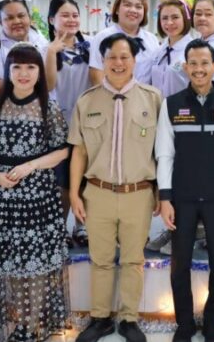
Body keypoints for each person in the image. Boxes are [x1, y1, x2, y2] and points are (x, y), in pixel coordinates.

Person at [68, 33, 162, 342]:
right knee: (101, 259)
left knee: (133, 260)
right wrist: (74, 193)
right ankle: (100, 319)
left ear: (134, 61)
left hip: (139, 193)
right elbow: (79, 151)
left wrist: (161, 192)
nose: (118, 63)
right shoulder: (87, 100)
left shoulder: (153, 99)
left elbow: (163, 152)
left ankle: (129, 319)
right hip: (98, 193)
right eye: (112, 57)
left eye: (125, 57)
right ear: (103, 61)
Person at [0, 43, 70, 342]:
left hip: (39, 194)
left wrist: (30, 166)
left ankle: (32, 325)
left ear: (40, 72)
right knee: (10, 262)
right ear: (8, 71)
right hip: (2, 194)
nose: (23, 73)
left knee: (37, 262)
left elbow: (62, 151)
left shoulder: (48, 106)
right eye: (17, 67)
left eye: (31, 67)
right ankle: (20, 321)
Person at [155, 39, 214, 342]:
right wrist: (165, 198)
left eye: (204, 63)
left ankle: (211, 323)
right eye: (193, 63)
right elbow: (165, 154)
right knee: (179, 264)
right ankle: (184, 323)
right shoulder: (172, 104)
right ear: (185, 67)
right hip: (182, 198)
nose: (199, 69)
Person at [147, 0, 214, 255]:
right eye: (198, 13)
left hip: (209, 123)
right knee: (177, 176)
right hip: (174, 119)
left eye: (208, 13)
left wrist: (213, 110)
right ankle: (177, 230)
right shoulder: (175, 47)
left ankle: (195, 232)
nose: (202, 18)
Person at [43, 0, 91, 248]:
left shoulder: (90, 48)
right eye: (65, 15)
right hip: (58, 126)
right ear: (52, 20)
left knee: (85, 179)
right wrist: (52, 52)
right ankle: (58, 227)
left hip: (87, 124)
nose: (71, 20)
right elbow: (49, 85)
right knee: (60, 181)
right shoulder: (44, 49)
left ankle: (82, 226)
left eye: (75, 15)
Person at [0, 0, 49, 97]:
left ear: (29, 17)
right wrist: (26, 81)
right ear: (1, 22)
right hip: (6, 106)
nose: (17, 21)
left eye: (21, 16)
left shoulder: (41, 40)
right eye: (10, 18)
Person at [88, 0, 159, 85]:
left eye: (138, 7)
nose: (133, 10)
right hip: (111, 94)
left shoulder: (152, 40)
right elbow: (96, 76)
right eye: (127, 5)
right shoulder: (103, 37)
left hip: (145, 94)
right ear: (117, 10)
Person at [147, 0, 194, 98]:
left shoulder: (194, 50)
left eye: (175, 17)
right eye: (164, 18)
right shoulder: (158, 51)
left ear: (185, 18)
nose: (169, 22)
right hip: (157, 106)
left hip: (183, 107)